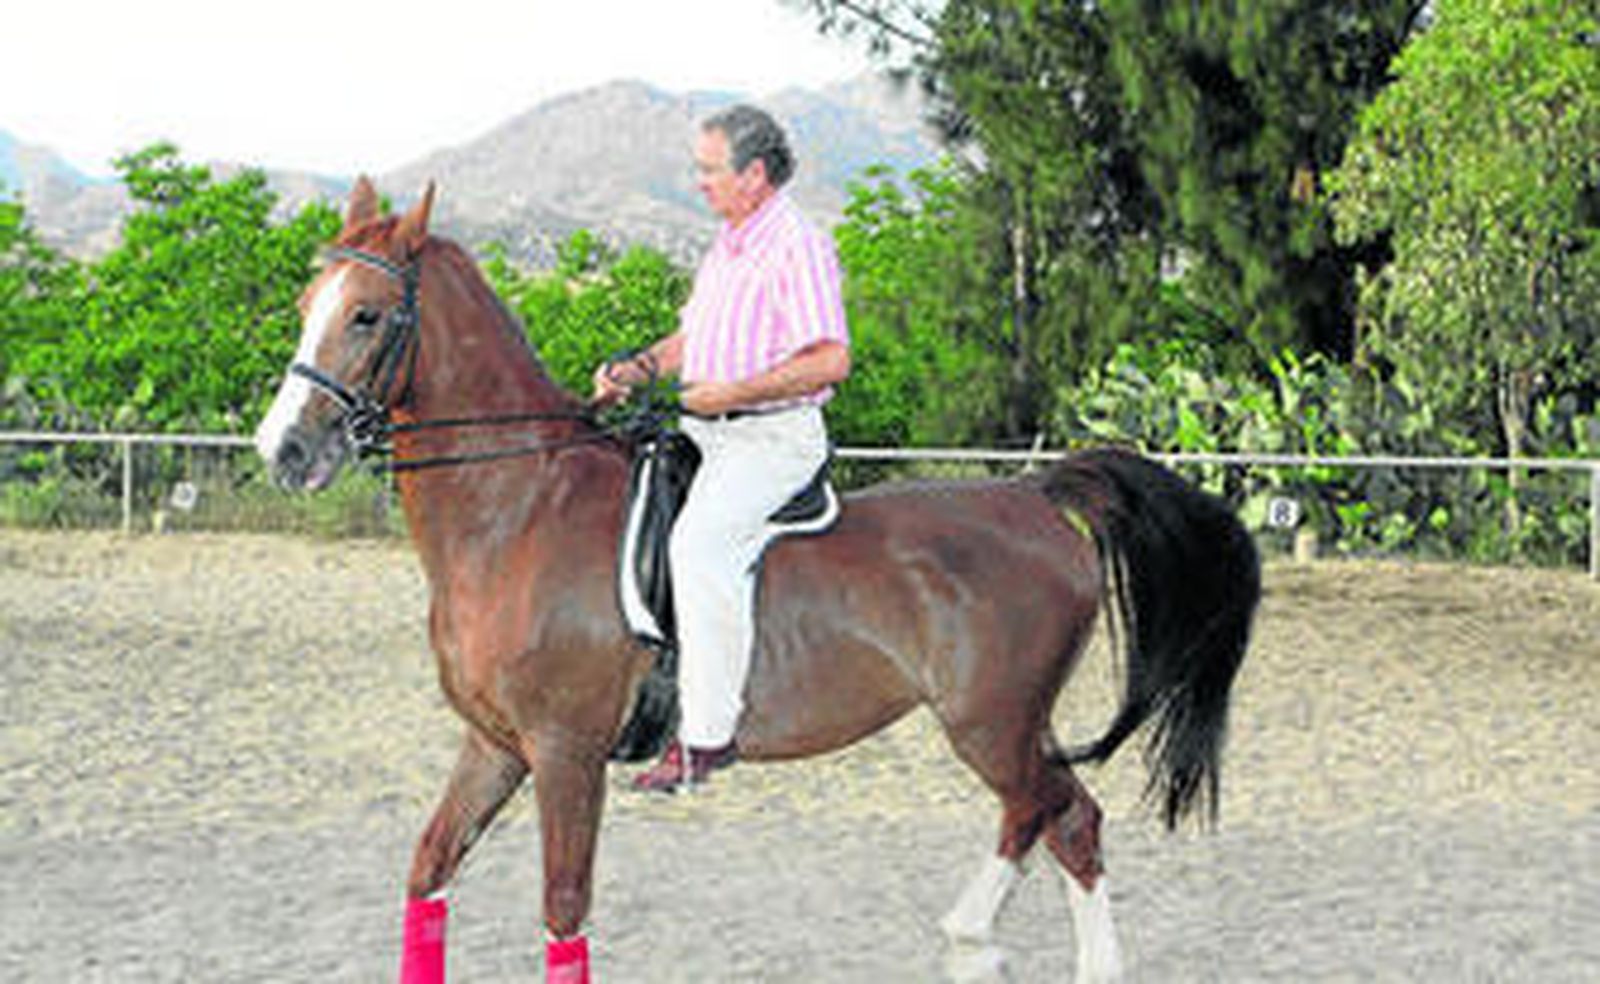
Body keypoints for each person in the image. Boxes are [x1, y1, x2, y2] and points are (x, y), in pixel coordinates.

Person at [592, 104, 851, 792]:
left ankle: (706, 739)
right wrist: (636, 371)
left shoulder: (797, 244)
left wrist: (733, 391)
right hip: (705, 429)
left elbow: (830, 360)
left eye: (709, 170)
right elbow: (689, 344)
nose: (698, 182)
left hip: (771, 439)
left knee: (699, 548)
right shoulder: (728, 243)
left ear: (755, 175)